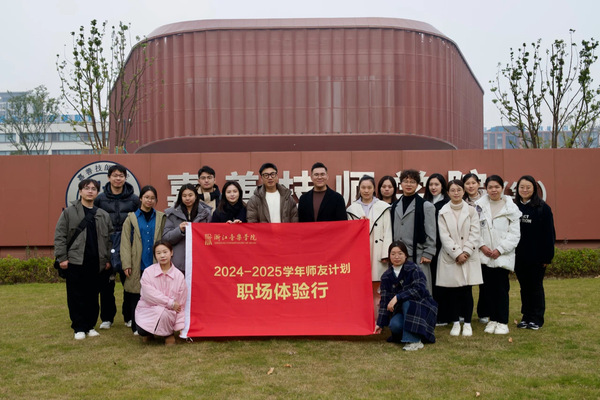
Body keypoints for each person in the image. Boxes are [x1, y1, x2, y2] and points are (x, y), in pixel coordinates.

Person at [54, 179, 113, 340]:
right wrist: (62, 258)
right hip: (75, 261)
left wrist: (108, 259)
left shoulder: (103, 215)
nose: (90, 191)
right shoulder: (69, 212)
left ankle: (90, 326)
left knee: (93, 296)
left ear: (97, 192)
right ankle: (79, 327)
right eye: (87, 188)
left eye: (94, 188)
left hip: (96, 262)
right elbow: (60, 236)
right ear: (80, 191)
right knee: (76, 296)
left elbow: (109, 240)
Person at [94, 164, 140, 330]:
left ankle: (129, 316)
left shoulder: (134, 199)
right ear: (109, 178)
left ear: (125, 178)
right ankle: (107, 318)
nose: (118, 178)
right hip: (107, 244)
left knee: (129, 283)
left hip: (128, 244)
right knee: (106, 285)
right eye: (115, 175)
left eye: (121, 175)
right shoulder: (100, 199)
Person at [436, 180, 483, 336]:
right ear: (448, 193)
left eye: (459, 190)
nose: (456, 193)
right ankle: (456, 323)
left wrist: (466, 252)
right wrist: (457, 253)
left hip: (469, 256)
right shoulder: (442, 211)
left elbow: (475, 233)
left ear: (464, 191)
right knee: (453, 292)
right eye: (452, 190)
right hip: (451, 257)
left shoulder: (471, 211)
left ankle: (467, 323)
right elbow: (444, 236)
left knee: (467, 291)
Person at [476, 175, 521, 335]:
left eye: (497, 187)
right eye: (490, 187)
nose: (493, 190)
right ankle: (492, 320)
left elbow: (514, 234)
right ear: (486, 189)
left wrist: (500, 249)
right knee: (487, 289)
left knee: (501, 289)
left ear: (502, 188)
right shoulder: (479, 206)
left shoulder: (511, 208)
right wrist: (482, 246)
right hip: (485, 254)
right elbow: (475, 229)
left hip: (502, 256)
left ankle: (502, 322)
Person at [375, 241, 437, 351]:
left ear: (406, 255)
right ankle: (412, 334)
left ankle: (414, 341)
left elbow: (419, 289)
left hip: (420, 308)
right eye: (393, 254)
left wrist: (397, 297)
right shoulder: (386, 276)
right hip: (401, 310)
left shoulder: (414, 269)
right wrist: (380, 323)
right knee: (394, 325)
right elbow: (384, 301)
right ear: (389, 256)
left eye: (400, 253)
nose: (396, 257)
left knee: (407, 302)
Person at [120, 185, 166, 335]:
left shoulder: (161, 217)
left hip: (154, 262)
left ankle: (153, 324)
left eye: (152, 198)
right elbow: (125, 243)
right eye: (146, 197)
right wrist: (126, 264)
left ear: (156, 200)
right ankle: (136, 326)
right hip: (137, 262)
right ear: (140, 198)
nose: (149, 200)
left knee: (154, 295)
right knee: (136, 295)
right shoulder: (131, 218)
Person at [346, 175, 393, 316]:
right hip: (360, 252)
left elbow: (388, 231)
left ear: (374, 189)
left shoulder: (383, 207)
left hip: (378, 251)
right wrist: (358, 225)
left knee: (378, 286)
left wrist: (386, 253)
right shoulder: (352, 209)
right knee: (360, 286)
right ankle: (362, 316)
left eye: (369, 187)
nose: (366, 191)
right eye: (363, 188)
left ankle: (378, 318)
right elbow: (349, 234)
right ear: (359, 189)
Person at [514, 175, 555, 330]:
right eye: (522, 187)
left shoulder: (543, 208)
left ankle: (537, 318)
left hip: (537, 257)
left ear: (534, 189)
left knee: (536, 287)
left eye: (528, 187)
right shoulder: (514, 207)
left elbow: (549, 234)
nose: (525, 190)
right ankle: (526, 317)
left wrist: (547, 257)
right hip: (519, 256)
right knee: (524, 288)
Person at [390, 169, 437, 294]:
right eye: (406, 181)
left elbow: (431, 231)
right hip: (399, 256)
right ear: (401, 184)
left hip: (419, 256)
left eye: (412, 182)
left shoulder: (426, 206)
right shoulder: (394, 206)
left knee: (421, 292)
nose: (409, 184)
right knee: (400, 292)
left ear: (418, 185)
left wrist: (428, 253)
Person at [135, 241, 187, 346]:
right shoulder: (148, 272)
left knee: (164, 314)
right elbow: (149, 295)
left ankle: (168, 334)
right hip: (148, 310)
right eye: (158, 253)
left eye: (165, 252)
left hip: (168, 315)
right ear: (155, 255)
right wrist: (170, 303)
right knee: (142, 330)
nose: (162, 256)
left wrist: (180, 326)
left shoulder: (179, 276)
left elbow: (181, 303)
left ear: (171, 252)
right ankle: (149, 333)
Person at [163, 184, 212, 274]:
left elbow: (211, 236)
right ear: (180, 197)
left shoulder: (206, 213)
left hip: (200, 260)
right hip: (178, 263)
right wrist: (179, 230)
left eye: (190, 195)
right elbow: (166, 238)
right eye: (184, 196)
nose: (187, 198)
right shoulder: (172, 214)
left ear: (196, 196)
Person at [423, 173, 451, 325]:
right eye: (431, 184)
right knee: (431, 280)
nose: (433, 187)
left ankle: (444, 315)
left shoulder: (447, 203)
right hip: (429, 246)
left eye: (436, 184)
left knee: (443, 281)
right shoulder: (424, 202)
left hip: (444, 246)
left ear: (442, 186)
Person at [462, 172, 488, 323]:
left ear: (479, 183)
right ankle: (464, 313)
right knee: (466, 283)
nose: (470, 186)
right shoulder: (461, 202)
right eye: (467, 183)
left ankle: (484, 312)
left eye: (473, 183)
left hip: (485, 246)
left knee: (485, 282)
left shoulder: (487, 200)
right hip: (468, 245)